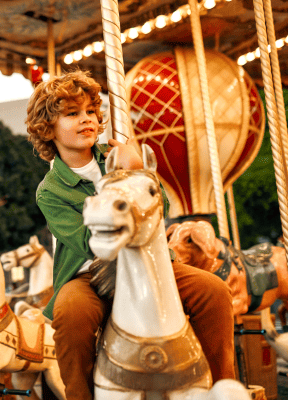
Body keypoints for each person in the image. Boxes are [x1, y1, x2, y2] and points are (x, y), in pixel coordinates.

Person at [25, 70, 235, 400]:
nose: (86, 120)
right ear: (47, 128)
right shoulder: (51, 190)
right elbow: (87, 243)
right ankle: (79, 395)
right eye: (72, 114)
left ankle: (224, 384)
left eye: (91, 112)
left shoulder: (118, 159)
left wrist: (138, 172)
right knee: (71, 314)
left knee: (214, 290)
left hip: (150, 263)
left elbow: (158, 206)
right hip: (91, 273)